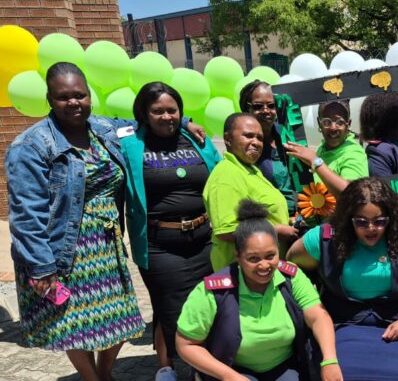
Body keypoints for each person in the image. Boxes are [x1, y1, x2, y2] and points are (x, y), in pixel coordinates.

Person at [6, 62, 145, 381]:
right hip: (64, 248)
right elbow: (26, 213)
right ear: (49, 99)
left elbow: (142, 122)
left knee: (120, 318)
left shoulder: (104, 128)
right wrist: (42, 266)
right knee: (75, 324)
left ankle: (106, 372)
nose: (73, 102)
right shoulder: (31, 146)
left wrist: (187, 122)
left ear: (89, 95)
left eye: (80, 95)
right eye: (63, 97)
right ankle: (92, 378)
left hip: (107, 244)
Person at [286, 178, 398, 381]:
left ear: (391, 217)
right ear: (348, 218)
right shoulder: (325, 239)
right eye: (361, 221)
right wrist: (313, 304)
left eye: (379, 221)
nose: (371, 228)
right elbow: (292, 268)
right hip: (339, 322)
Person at [118, 81, 221, 380]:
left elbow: (219, 173)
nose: (167, 117)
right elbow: (98, 122)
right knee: (172, 308)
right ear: (144, 114)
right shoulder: (130, 143)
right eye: (158, 111)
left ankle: (203, 365)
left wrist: (188, 123)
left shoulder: (197, 139)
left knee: (209, 305)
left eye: (173, 111)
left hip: (203, 241)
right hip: (160, 245)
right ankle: (176, 368)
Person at [176, 199, 342, 381]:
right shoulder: (213, 291)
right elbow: (186, 344)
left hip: (284, 367)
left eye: (270, 255)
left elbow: (318, 316)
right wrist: (227, 375)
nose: (264, 265)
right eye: (253, 258)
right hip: (232, 369)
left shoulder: (291, 277)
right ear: (238, 256)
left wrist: (329, 360)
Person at [204, 113, 293, 270]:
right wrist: (276, 230)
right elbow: (226, 231)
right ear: (228, 138)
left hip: (264, 270)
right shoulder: (226, 174)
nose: (256, 143)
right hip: (241, 275)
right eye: (248, 136)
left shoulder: (250, 170)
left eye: (259, 138)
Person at [284, 100, 368, 197]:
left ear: (348, 124)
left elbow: (354, 194)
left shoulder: (354, 152)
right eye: (327, 122)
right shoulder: (323, 147)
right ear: (319, 124)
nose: (333, 128)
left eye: (339, 122)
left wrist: (315, 161)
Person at [240, 80, 297, 214]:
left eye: (271, 105)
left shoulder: (288, 135)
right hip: (269, 221)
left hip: (301, 215)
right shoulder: (243, 144)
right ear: (246, 108)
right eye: (258, 106)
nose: (266, 111)